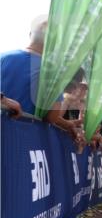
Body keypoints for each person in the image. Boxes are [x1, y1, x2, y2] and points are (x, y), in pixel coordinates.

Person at [0, 15, 85, 145]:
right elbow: (52, 116)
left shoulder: (3, 57)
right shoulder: (52, 73)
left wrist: (68, 124)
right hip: (22, 144)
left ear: (30, 35)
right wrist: (69, 124)